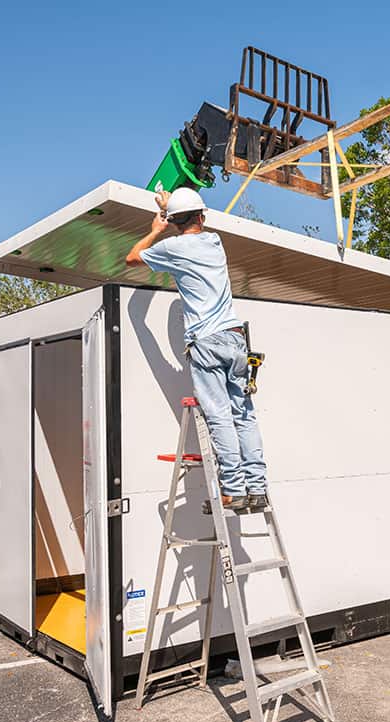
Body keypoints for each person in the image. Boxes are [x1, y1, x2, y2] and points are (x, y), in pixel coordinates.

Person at [125, 187, 267, 511]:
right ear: (202, 217)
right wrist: (169, 207)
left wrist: (155, 229)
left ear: (174, 222)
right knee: (243, 415)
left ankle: (233, 489)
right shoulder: (215, 243)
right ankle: (256, 487)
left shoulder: (173, 248)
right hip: (234, 338)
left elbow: (132, 258)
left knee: (218, 416)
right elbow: (188, 219)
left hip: (206, 342)